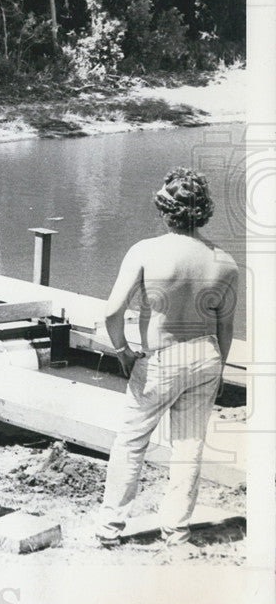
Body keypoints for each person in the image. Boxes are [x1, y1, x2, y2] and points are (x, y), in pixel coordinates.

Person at [96, 167, 238, 549]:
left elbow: (112, 312)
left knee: (130, 442)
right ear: (203, 211)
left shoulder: (146, 250)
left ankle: (110, 528)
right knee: (189, 445)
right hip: (206, 355)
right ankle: (176, 530)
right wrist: (218, 370)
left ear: (165, 210)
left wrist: (123, 351)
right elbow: (225, 329)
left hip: (162, 356)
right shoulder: (225, 262)